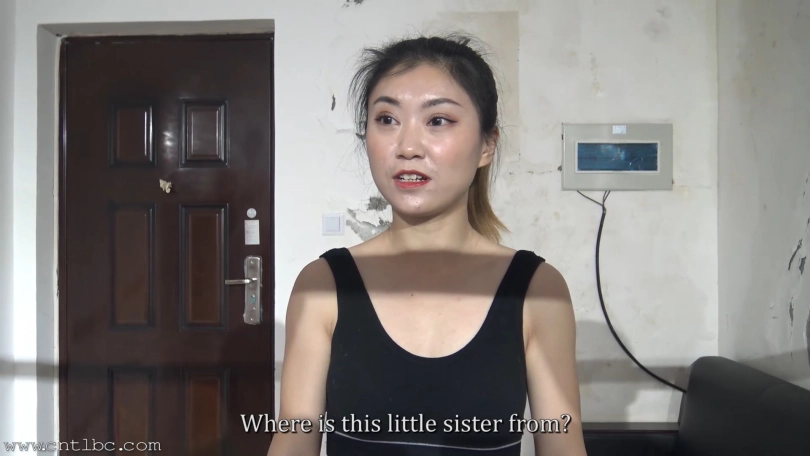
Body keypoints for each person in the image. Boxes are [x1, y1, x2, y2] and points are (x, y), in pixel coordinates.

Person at [266, 33, 587, 456]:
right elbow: (294, 438)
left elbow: (563, 445)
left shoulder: (537, 290)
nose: (407, 147)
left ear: (487, 145)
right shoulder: (321, 285)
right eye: (387, 119)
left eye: (438, 120)